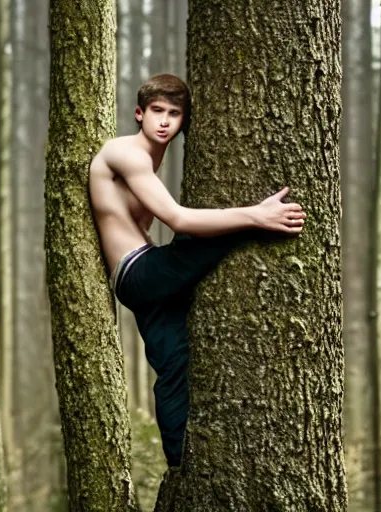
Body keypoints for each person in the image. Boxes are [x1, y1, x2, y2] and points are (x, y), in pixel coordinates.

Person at [88, 74, 305, 467]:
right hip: (140, 272)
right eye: (157, 111)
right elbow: (178, 219)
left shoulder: (151, 156)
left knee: (173, 370)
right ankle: (259, 218)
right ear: (139, 113)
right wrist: (255, 215)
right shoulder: (128, 154)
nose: (165, 121)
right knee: (212, 235)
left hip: (142, 282)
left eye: (175, 114)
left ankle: (179, 470)